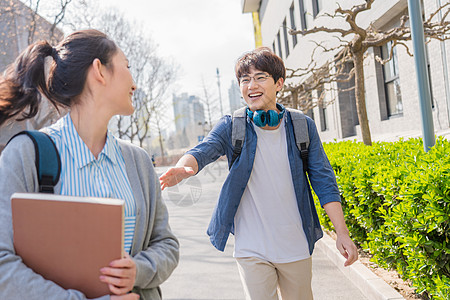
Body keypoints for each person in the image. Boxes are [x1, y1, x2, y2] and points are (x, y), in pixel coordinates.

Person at [159, 47, 358, 299]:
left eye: (260, 77)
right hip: (251, 248)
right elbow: (204, 149)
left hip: (294, 244)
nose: (251, 85)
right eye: (245, 79)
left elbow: (323, 180)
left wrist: (342, 233)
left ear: (279, 83)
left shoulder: (301, 126)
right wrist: (185, 166)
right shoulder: (233, 125)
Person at [0, 29, 179, 300]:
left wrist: (138, 270)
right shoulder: (26, 154)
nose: (135, 83)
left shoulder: (139, 161)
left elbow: (165, 243)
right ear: (100, 71)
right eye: (127, 67)